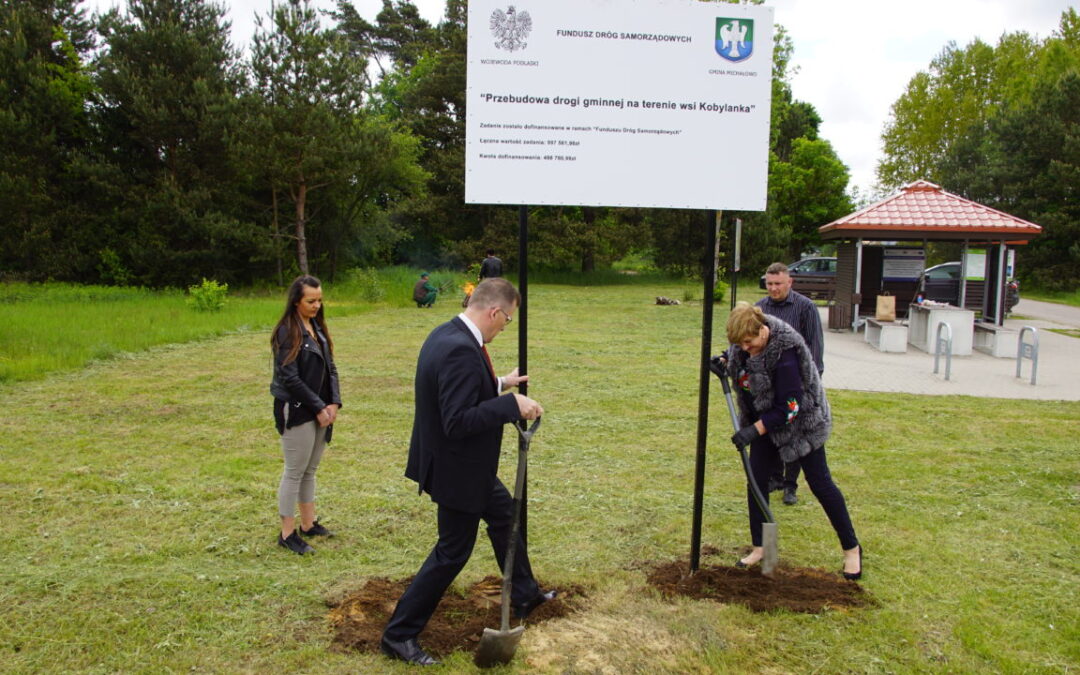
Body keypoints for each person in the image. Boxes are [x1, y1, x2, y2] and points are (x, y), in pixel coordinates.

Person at [381, 278, 554, 666]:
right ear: (494, 311)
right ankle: (399, 635)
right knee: (452, 552)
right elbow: (456, 420)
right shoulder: (460, 349)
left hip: (462, 465)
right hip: (456, 469)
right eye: (507, 320)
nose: (504, 326)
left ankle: (524, 593)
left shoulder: (448, 333)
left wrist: (499, 383)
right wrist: (510, 404)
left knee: (505, 514)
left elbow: (459, 387)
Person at [719, 303, 861, 580]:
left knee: (821, 484)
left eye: (749, 342)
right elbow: (739, 359)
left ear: (762, 330)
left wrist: (753, 430)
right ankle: (763, 548)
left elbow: (790, 407)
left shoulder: (786, 353)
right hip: (765, 423)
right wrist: (725, 361)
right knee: (756, 481)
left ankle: (852, 550)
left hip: (802, 425)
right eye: (740, 344)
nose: (745, 348)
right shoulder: (746, 343)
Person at [270, 275, 342, 555]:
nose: (317, 305)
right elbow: (290, 378)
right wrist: (318, 407)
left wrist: (334, 402)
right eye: (311, 301)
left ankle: (308, 524)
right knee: (294, 471)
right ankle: (287, 533)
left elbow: (331, 368)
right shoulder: (287, 331)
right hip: (297, 410)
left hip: (321, 409)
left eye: (320, 300)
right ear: (296, 301)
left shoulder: (317, 328)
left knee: (310, 470)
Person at [757, 262, 825, 506]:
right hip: (769, 382)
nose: (773, 289)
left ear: (789, 283)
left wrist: (811, 382)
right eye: (769, 284)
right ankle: (774, 476)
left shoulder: (805, 308)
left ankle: (791, 484)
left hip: (798, 383)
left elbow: (814, 348)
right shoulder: (760, 309)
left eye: (778, 284)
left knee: (795, 434)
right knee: (773, 430)